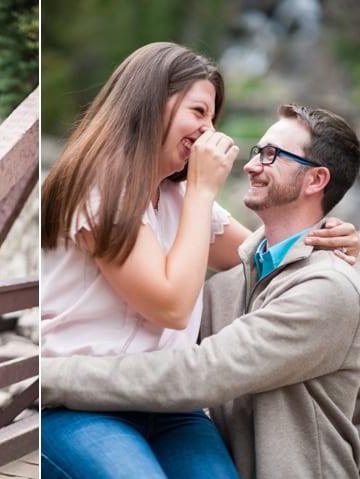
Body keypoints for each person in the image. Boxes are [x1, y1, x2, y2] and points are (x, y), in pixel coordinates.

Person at [40, 42, 360, 479]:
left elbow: (269, 262)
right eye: (199, 112)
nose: (209, 131)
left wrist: (339, 245)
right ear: (152, 101)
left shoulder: (180, 199)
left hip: (171, 410)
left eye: (212, 117)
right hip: (74, 399)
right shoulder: (99, 189)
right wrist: (203, 191)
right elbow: (171, 306)